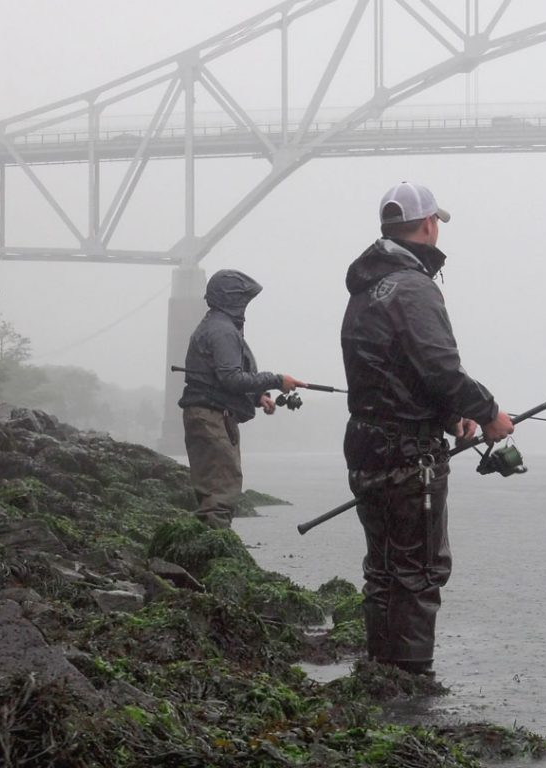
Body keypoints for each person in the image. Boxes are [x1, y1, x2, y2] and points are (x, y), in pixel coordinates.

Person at [341, 181, 514, 676]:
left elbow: (392, 371)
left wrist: (446, 415)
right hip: (407, 456)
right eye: (437, 220)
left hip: (367, 446)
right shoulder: (414, 288)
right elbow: (439, 368)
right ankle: (412, 690)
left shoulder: (368, 288)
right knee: (418, 575)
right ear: (428, 224)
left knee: (383, 571)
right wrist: (488, 413)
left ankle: (381, 677)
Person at [178, 269, 303, 529]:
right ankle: (213, 553)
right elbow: (231, 379)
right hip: (212, 418)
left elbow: (219, 376)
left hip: (205, 414)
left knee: (212, 490)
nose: (246, 305)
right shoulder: (222, 330)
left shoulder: (215, 324)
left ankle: (205, 549)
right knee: (221, 491)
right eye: (243, 299)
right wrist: (277, 380)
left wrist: (259, 396)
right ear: (231, 299)